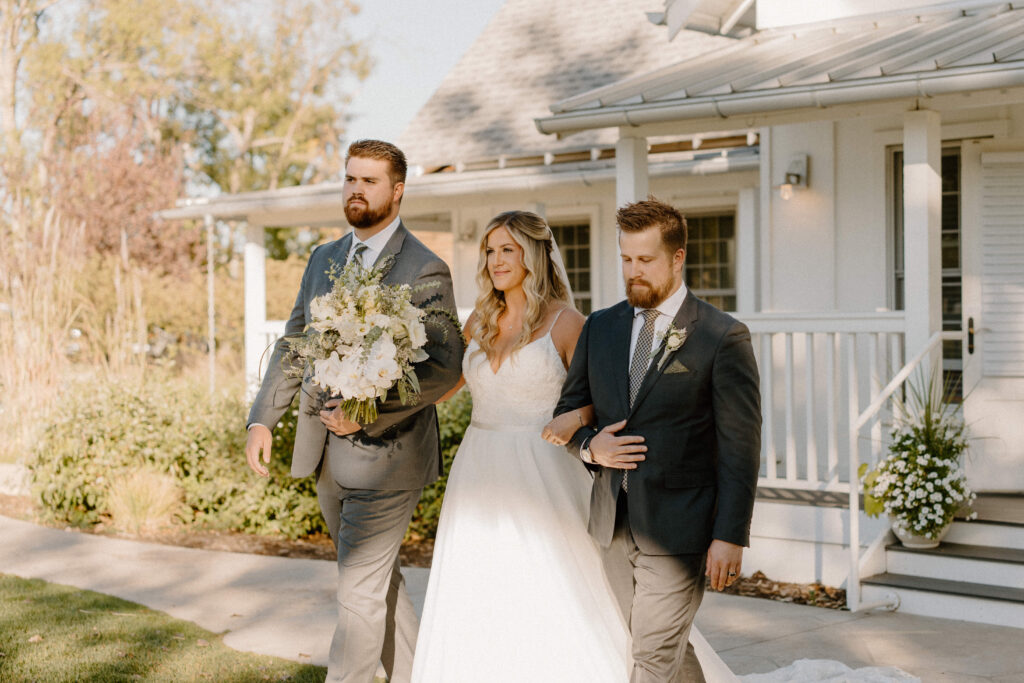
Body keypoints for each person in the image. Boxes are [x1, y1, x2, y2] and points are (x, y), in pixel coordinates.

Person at [410, 210, 728, 683]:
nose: (496, 261)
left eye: (508, 250)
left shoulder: (568, 321)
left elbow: (601, 399)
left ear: (533, 256)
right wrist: (379, 387)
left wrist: (574, 418)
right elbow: (444, 384)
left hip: (544, 472)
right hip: (479, 472)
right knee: (482, 589)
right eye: (490, 251)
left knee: (550, 587)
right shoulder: (479, 319)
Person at [244, 139, 463, 683]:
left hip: (389, 459)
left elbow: (444, 367)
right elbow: (296, 341)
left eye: (369, 181)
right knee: (376, 586)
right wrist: (262, 419)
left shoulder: (425, 268)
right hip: (325, 454)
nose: (356, 189)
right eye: (350, 179)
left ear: (398, 190)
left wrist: (369, 413)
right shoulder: (323, 258)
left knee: (357, 596)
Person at [554, 197, 761, 682]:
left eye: (645, 260)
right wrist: (590, 446)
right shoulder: (600, 328)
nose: (633, 271)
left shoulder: (721, 336)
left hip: (681, 530)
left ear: (677, 257)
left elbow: (740, 445)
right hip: (614, 522)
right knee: (660, 647)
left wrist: (730, 534)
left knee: (649, 659)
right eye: (626, 259)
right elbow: (569, 412)